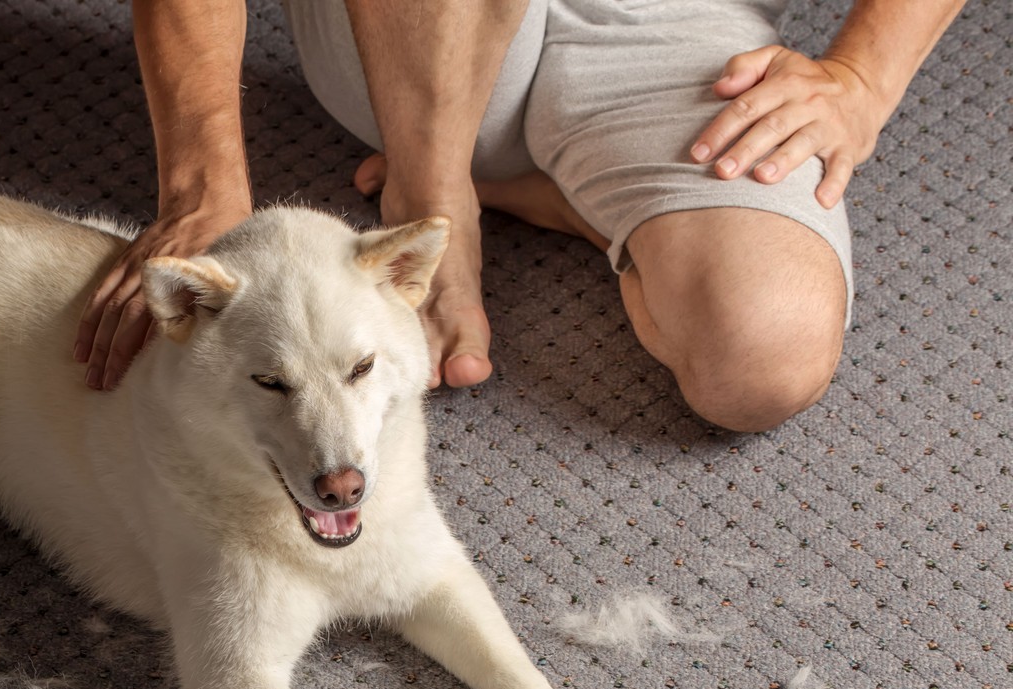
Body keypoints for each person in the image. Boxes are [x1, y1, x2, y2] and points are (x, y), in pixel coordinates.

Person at [74, 0, 966, 432]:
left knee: (757, 363)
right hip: (400, 42)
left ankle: (533, 198)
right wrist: (204, 191)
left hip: (670, 27)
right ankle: (430, 195)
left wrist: (863, 78)